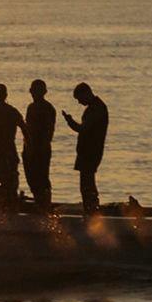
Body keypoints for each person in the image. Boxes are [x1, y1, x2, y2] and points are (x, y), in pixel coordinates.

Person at [62, 82, 108, 215]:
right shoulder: (95, 107)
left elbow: (83, 129)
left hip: (91, 152)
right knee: (87, 183)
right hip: (87, 151)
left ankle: (91, 210)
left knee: (87, 184)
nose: (79, 102)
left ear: (86, 93)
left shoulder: (97, 109)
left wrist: (70, 122)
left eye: (79, 99)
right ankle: (91, 209)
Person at [23, 78, 56, 207]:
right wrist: (27, 147)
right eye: (33, 90)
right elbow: (27, 128)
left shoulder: (48, 108)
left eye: (38, 90)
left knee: (42, 179)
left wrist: (41, 147)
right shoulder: (30, 107)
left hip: (41, 149)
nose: (35, 93)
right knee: (31, 178)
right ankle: (39, 201)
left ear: (44, 92)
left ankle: (45, 204)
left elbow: (49, 130)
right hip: (29, 149)